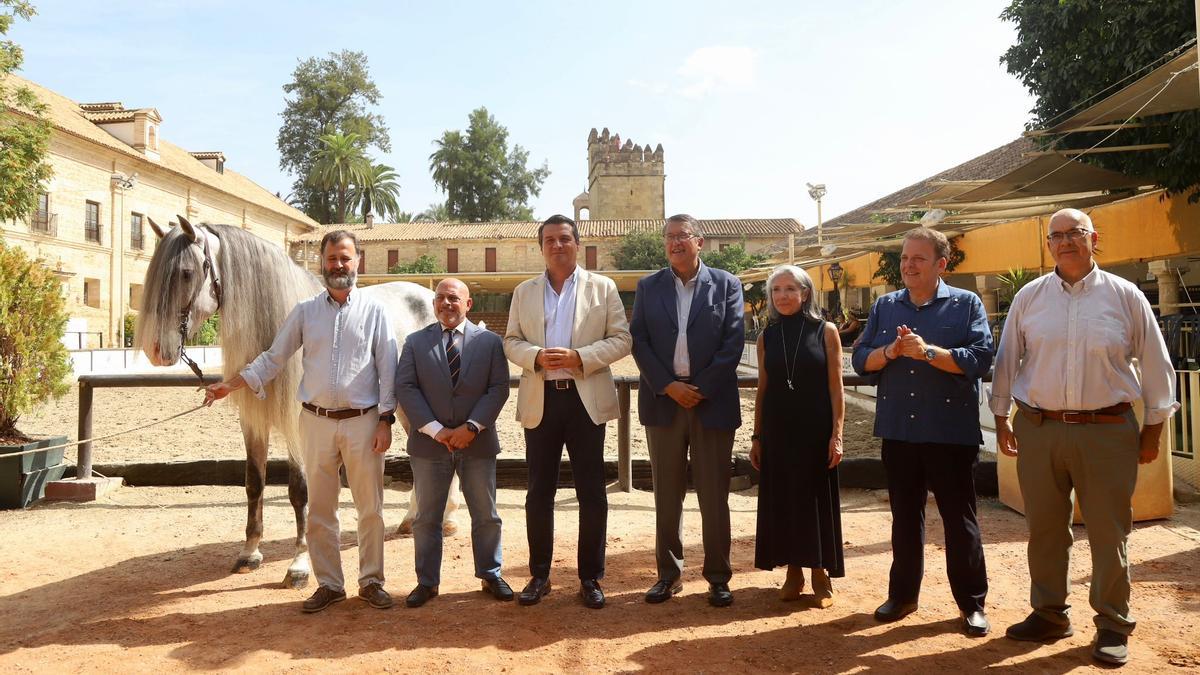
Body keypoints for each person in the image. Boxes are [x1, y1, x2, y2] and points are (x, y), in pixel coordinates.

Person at [991, 208, 1178, 666]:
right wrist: (1000, 418)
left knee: (1108, 532)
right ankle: (1050, 613)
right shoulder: (1030, 298)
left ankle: (1113, 623)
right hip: (1039, 429)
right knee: (1045, 530)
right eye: (1056, 236)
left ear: (1094, 238)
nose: (1065, 242)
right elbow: (1007, 360)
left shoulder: (1126, 296)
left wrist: (1153, 430)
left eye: (1074, 233)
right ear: (1049, 245)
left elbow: (1156, 367)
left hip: (1108, 431)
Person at [203, 230, 397, 613]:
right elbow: (273, 358)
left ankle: (371, 581)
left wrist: (386, 420)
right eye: (332, 259)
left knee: (370, 508)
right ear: (321, 263)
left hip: (363, 421)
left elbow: (387, 368)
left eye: (345, 258)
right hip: (316, 422)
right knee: (321, 511)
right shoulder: (305, 312)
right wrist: (232, 384)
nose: (338, 265)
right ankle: (329, 584)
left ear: (358, 261)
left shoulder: (375, 312)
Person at [851, 226, 993, 637]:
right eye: (905, 259)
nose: (908, 266)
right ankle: (903, 596)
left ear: (941, 264)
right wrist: (891, 351)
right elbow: (861, 359)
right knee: (904, 519)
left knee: (959, 519)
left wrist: (928, 352)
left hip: (949, 432)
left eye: (918, 259)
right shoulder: (885, 306)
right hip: (898, 430)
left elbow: (980, 359)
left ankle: (971, 604)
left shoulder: (966, 304)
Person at [504, 214, 632, 609]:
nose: (557, 246)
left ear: (578, 243)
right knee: (538, 492)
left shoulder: (603, 287)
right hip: (541, 397)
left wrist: (582, 357)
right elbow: (510, 341)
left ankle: (590, 577)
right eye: (549, 240)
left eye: (564, 239)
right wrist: (535, 356)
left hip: (584, 400)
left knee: (591, 492)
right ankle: (539, 575)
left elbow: (622, 339)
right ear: (541, 247)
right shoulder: (524, 292)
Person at [630, 214, 745, 607]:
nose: (675, 242)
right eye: (669, 237)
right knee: (666, 494)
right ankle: (668, 575)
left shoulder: (727, 284)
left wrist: (699, 388)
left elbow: (733, 342)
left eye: (683, 236)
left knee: (714, 495)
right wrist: (669, 386)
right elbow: (639, 342)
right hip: (665, 402)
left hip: (711, 403)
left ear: (699, 241)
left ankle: (718, 576)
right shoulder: (649, 287)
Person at [395, 278, 511, 608]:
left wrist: (471, 427)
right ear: (434, 304)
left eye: (453, 298)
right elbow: (406, 387)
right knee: (427, 518)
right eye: (440, 298)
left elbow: (498, 388)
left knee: (485, 514)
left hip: (477, 442)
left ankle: (490, 573)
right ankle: (427, 582)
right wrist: (436, 430)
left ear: (468, 304)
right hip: (430, 445)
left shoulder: (489, 342)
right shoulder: (415, 342)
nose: (446, 303)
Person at [749, 265, 844, 607]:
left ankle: (820, 572)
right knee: (785, 499)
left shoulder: (826, 331)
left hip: (815, 428)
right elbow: (763, 389)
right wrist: (757, 436)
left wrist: (838, 434)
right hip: (778, 429)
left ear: (805, 293)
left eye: (791, 289)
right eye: (777, 290)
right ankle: (793, 571)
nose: (783, 296)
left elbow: (836, 387)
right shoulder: (766, 337)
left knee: (814, 498)